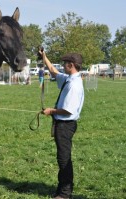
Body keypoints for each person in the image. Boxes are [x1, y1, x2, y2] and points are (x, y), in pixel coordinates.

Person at [40, 51, 84, 199]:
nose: (63, 65)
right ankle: (62, 189)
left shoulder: (74, 85)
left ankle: (65, 194)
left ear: (71, 65)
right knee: (62, 158)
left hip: (65, 125)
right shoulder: (69, 79)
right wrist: (44, 56)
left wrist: (50, 111)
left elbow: (67, 110)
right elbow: (53, 72)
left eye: (65, 63)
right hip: (62, 124)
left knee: (64, 159)